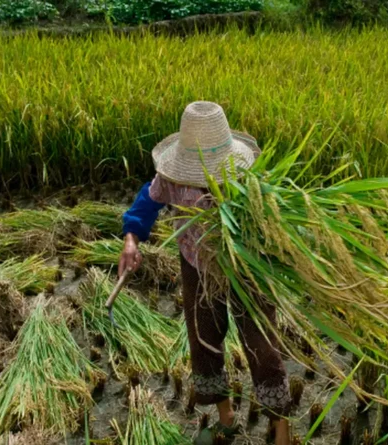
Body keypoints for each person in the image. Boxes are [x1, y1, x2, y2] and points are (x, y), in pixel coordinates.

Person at [119, 101, 292, 445]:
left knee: (262, 345)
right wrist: (131, 240)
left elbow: (276, 219)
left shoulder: (247, 178)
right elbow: (146, 203)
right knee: (204, 339)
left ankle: (281, 427)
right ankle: (225, 416)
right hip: (196, 266)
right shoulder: (171, 179)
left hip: (246, 268)